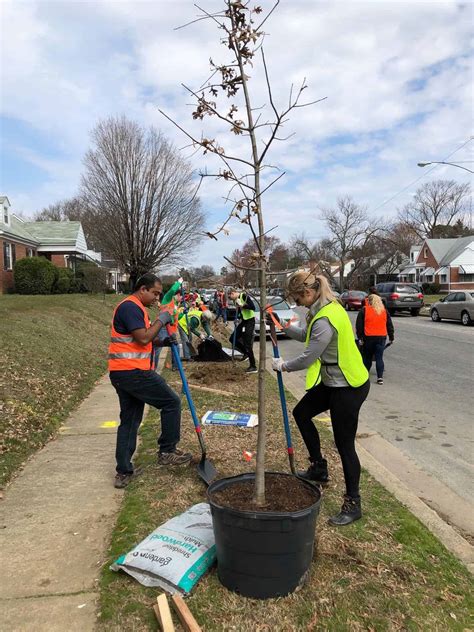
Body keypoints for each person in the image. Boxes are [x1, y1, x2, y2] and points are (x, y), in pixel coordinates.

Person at [271, 271, 370, 526]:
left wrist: (283, 366)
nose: (296, 303)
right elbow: (307, 335)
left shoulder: (326, 317)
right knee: (301, 413)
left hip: (348, 385)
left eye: (297, 298)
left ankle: (353, 502)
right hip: (332, 381)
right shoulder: (323, 308)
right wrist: (285, 327)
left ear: (307, 293)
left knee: (344, 444)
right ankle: (318, 467)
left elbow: (309, 356)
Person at [108, 273, 192, 489]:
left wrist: (162, 340)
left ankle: (123, 471)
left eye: (159, 295)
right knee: (171, 402)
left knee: (130, 419)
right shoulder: (130, 307)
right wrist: (162, 320)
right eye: (154, 293)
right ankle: (167, 451)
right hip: (132, 372)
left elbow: (144, 339)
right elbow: (143, 337)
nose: (157, 298)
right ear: (142, 289)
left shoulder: (137, 309)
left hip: (123, 373)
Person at [356, 293, 394, 385]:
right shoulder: (384, 311)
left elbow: (359, 326)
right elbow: (389, 325)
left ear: (369, 301)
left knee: (367, 357)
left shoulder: (364, 310)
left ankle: (365, 376)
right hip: (381, 337)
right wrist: (391, 337)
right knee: (379, 357)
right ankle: (380, 377)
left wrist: (360, 337)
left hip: (368, 337)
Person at [228, 288, 257, 374]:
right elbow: (241, 312)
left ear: (233, 293)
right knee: (232, 338)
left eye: (230, 297)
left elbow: (253, 307)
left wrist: (242, 305)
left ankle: (253, 366)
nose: (231, 299)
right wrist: (238, 318)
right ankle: (246, 353)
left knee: (247, 343)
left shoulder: (244, 296)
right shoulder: (236, 300)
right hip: (244, 321)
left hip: (250, 321)